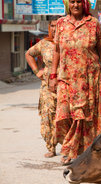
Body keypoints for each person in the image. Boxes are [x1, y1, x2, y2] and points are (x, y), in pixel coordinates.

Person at [49, 0, 101, 165]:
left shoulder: (92, 23)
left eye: (78, 1)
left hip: (89, 78)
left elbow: (100, 48)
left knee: (85, 116)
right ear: (68, 4)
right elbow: (57, 50)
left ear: (83, 3)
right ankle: (71, 147)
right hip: (66, 78)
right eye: (72, 2)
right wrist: (53, 75)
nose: (76, 5)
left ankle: (77, 152)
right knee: (65, 115)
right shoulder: (60, 24)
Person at [25, 16, 60, 158]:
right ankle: (51, 147)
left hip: (65, 84)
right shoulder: (44, 44)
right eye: (52, 25)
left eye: (57, 25)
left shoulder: (67, 43)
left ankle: (68, 149)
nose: (54, 28)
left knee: (65, 117)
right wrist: (36, 71)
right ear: (49, 27)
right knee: (47, 115)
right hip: (47, 86)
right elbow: (28, 54)